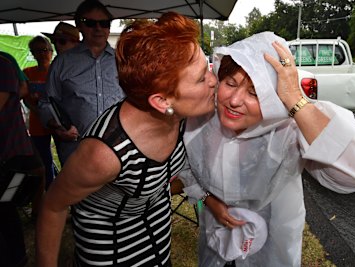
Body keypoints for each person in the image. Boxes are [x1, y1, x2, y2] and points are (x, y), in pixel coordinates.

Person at [179, 32, 355, 267]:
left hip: (271, 247)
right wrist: (208, 200)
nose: (234, 100)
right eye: (230, 83)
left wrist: (295, 99)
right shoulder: (203, 121)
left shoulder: (290, 130)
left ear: (272, 96)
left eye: (255, 92)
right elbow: (187, 167)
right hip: (216, 237)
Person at [36, 12, 217, 267]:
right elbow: (52, 206)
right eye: (202, 78)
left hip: (158, 236)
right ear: (162, 101)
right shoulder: (104, 153)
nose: (214, 81)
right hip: (111, 248)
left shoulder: (183, 115)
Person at [38, 0, 124, 166]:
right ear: (79, 26)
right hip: (77, 153)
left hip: (119, 152)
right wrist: (57, 127)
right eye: (90, 23)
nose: (98, 28)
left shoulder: (124, 61)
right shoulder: (62, 63)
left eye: (104, 23)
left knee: (115, 193)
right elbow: (46, 103)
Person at [0, 52, 44, 267]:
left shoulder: (2, 62)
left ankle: (17, 258)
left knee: (5, 207)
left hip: (11, 154)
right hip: (16, 152)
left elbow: (22, 90)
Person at [23, 36, 55, 191]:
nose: (42, 54)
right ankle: (49, 191)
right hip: (37, 123)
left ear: (51, 51)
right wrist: (38, 111)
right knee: (44, 159)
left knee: (66, 158)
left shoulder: (57, 71)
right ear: (32, 53)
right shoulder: (27, 73)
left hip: (58, 123)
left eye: (44, 50)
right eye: (37, 51)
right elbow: (25, 99)